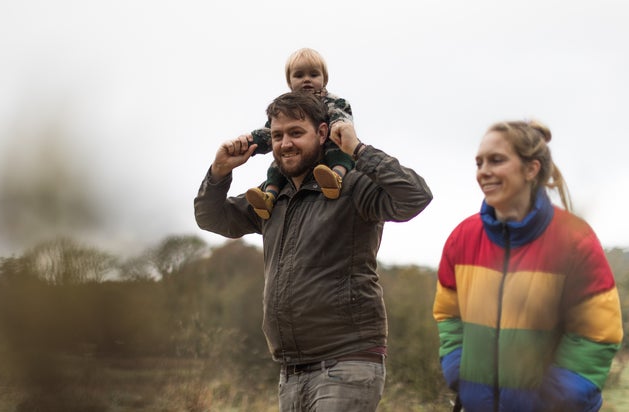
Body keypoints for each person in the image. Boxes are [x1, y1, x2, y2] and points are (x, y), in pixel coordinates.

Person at [194, 91, 432, 411]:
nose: (285, 143)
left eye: (296, 133)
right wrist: (219, 172)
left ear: (321, 133)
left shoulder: (352, 187)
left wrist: (358, 150)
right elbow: (211, 217)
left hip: (346, 364)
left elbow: (415, 196)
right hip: (291, 373)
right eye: (277, 135)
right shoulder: (270, 201)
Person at [433, 119, 623, 412]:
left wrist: (553, 397)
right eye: (479, 162)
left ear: (531, 169)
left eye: (496, 160)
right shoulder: (463, 239)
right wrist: (458, 368)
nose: (483, 171)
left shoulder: (575, 240)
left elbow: (598, 333)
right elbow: (448, 313)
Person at [244, 48, 356, 219]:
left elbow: (340, 116)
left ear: (324, 79)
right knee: (277, 164)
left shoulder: (332, 101)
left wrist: (338, 125)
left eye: (313, 75)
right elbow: (268, 133)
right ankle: (269, 196)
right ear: (289, 82)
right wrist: (248, 142)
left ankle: (335, 177)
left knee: (339, 151)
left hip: (329, 145)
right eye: (299, 75)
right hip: (300, 161)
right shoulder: (285, 108)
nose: (306, 80)